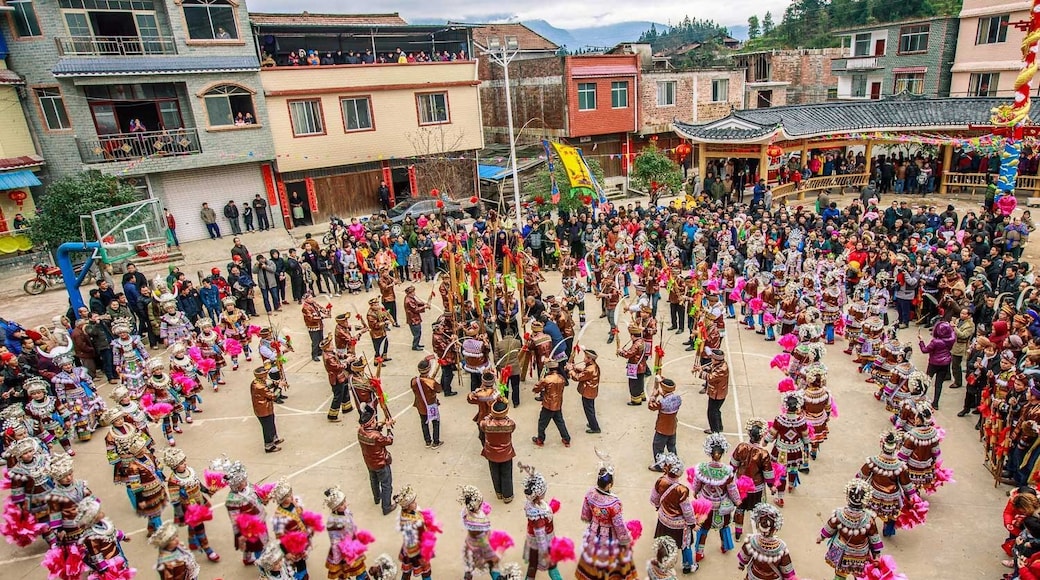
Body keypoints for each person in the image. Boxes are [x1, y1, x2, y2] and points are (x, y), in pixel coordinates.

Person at [576, 455, 636, 579]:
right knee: (612, 558)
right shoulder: (614, 503)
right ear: (609, 485)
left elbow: (586, 515)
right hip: (609, 535)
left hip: (594, 531)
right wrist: (625, 540)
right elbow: (619, 525)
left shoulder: (590, 493)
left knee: (593, 555)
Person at [690, 433, 742, 566]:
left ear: (710, 452)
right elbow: (732, 489)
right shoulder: (727, 471)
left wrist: (696, 493)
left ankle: (699, 552)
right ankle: (725, 546)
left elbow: (696, 485)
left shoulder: (702, 468)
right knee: (724, 526)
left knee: (703, 528)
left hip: (705, 504)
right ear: (722, 452)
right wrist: (737, 501)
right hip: (721, 505)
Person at [818, 479, 882, 580]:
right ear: (865, 500)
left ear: (848, 496)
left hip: (842, 553)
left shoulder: (839, 514)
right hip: (860, 554)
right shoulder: (869, 520)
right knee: (859, 575)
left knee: (840, 574)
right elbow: (874, 538)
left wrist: (821, 537)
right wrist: (876, 555)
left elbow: (830, 527)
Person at [649, 452, 698, 574]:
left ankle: (662, 564)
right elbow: (687, 511)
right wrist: (692, 524)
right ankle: (688, 566)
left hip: (663, 520)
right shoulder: (682, 490)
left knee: (664, 543)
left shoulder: (660, 481)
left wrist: (658, 507)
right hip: (680, 525)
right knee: (685, 545)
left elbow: (654, 499)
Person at [730, 417, 775, 541]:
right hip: (756, 487)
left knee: (740, 508)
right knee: (759, 509)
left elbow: (733, 465)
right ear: (761, 437)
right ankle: (762, 531)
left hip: (741, 486)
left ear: (749, 434)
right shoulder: (763, 454)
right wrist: (771, 486)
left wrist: (729, 480)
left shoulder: (741, 447)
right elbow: (767, 473)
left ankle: (738, 533)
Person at [736, 504, 796, 580]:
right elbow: (786, 570)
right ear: (775, 529)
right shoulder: (781, 547)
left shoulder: (751, 541)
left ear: (759, 524)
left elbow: (744, 557)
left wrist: (741, 565)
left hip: (754, 576)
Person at [323, 485, 369, 579]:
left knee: (360, 570)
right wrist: (338, 559)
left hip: (353, 545)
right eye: (341, 504)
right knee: (344, 571)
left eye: (344, 501)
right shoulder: (333, 522)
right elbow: (335, 542)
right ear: (335, 507)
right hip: (343, 551)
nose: (344, 505)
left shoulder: (346, 511)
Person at [357, 404, 394, 516]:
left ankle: (377, 498)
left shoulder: (360, 431)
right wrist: (388, 427)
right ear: (371, 422)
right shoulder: (376, 436)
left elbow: (373, 432)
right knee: (386, 484)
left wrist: (380, 425)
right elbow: (389, 440)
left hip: (369, 462)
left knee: (373, 480)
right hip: (381, 463)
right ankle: (386, 506)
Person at [458, 485, 501, 580]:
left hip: (470, 544)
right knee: (493, 565)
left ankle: (468, 576)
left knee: (470, 566)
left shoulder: (467, 513)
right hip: (481, 548)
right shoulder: (480, 522)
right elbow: (483, 541)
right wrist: (492, 555)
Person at [393, 485, 432, 579]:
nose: (416, 503)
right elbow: (411, 542)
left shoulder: (412, 512)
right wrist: (419, 556)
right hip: (416, 550)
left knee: (408, 570)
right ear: (407, 506)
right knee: (425, 571)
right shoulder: (408, 522)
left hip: (416, 547)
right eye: (413, 502)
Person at [531, 360, 570, 448]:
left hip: (548, 405)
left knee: (542, 423)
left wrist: (538, 388)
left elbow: (536, 388)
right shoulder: (561, 378)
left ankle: (540, 439)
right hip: (558, 404)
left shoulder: (547, 379)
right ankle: (566, 439)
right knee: (560, 422)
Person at [919, 320, 955, 409]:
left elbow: (925, 350)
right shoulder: (952, 339)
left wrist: (921, 341)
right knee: (939, 384)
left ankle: (922, 395)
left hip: (934, 363)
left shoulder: (935, 342)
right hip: (945, 363)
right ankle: (935, 403)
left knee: (927, 379)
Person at [647, 377, 680, 466]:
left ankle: (659, 466)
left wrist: (654, 396)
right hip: (672, 427)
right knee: (671, 446)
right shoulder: (678, 399)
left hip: (662, 428)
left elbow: (651, 406)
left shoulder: (662, 402)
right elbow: (668, 397)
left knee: (658, 447)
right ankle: (675, 463)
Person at [410, 357, 442, 448]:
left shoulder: (414, 381)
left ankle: (427, 441)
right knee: (435, 422)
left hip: (420, 405)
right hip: (431, 404)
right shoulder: (431, 382)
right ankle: (436, 442)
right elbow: (439, 389)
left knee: (424, 422)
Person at [567, 348, 600, 434]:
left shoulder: (590, 369)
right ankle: (592, 423)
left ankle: (595, 427)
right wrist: (575, 368)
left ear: (590, 359)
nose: (584, 359)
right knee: (590, 409)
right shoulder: (592, 366)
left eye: (586, 357)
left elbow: (578, 377)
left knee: (589, 410)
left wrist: (571, 370)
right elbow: (584, 372)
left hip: (588, 392)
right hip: (591, 391)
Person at [251, 366, 282, 453]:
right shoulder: (259, 386)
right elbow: (273, 396)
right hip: (263, 410)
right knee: (267, 427)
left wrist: (273, 384)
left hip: (267, 408)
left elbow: (266, 388)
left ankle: (274, 439)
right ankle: (269, 446)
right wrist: (279, 387)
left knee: (271, 424)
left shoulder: (256, 382)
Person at [321, 335, 351, 423]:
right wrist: (347, 361)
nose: (333, 345)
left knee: (345, 390)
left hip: (341, 375)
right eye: (331, 345)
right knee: (338, 396)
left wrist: (345, 356)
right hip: (336, 378)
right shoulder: (328, 357)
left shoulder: (330, 352)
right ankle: (332, 415)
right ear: (327, 347)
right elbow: (338, 367)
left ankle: (347, 407)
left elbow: (338, 354)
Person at [303, 294, 328, 362]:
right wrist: (322, 317)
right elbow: (311, 318)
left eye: (312, 298)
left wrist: (326, 311)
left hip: (319, 324)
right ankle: (314, 355)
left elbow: (320, 308)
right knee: (315, 341)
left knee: (320, 338)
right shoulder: (305, 308)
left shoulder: (313, 303)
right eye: (310, 298)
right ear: (306, 299)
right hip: (313, 326)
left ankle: (320, 351)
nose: (312, 299)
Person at [404, 286, 427, 351]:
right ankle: (415, 346)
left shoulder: (411, 298)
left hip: (415, 318)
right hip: (413, 319)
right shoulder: (408, 301)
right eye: (413, 292)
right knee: (416, 333)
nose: (414, 293)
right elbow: (416, 309)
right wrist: (424, 306)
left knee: (419, 332)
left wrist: (423, 304)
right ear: (410, 293)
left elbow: (417, 303)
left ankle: (417, 344)